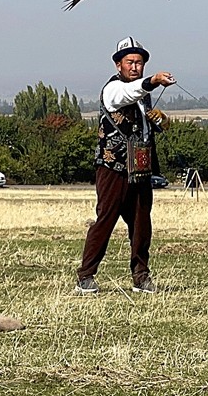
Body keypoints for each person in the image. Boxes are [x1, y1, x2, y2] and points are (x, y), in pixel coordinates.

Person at [75, 36, 175, 295]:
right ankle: (86, 276)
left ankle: (141, 278)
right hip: (113, 169)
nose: (135, 67)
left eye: (139, 63)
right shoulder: (113, 89)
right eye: (130, 62)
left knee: (142, 225)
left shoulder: (143, 98)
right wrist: (152, 81)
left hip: (140, 170)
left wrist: (160, 121)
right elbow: (128, 93)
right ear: (118, 65)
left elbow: (148, 126)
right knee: (105, 220)